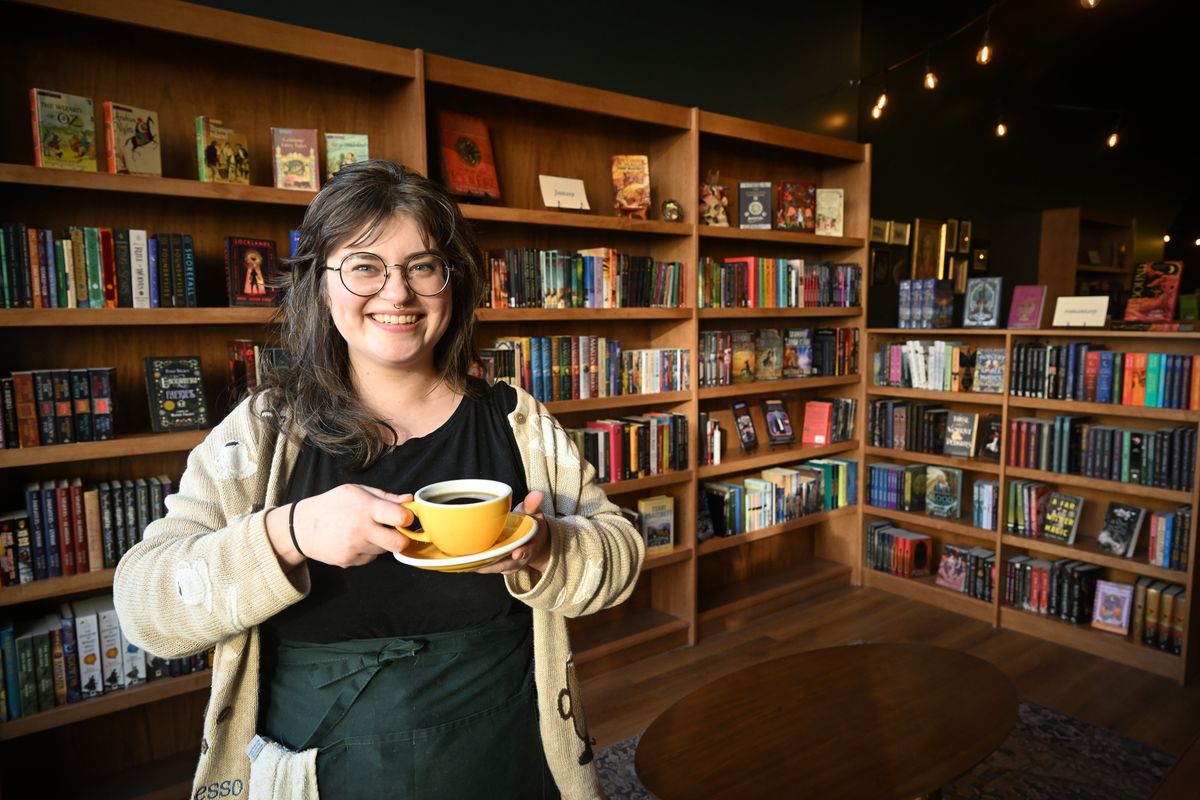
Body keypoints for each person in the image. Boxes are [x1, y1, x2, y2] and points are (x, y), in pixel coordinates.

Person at [113, 160, 644, 799]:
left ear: (453, 282)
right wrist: (289, 534)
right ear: (320, 285)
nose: (397, 294)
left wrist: (546, 547)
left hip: (509, 758)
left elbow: (621, 559)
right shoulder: (261, 432)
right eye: (364, 266)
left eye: (422, 266)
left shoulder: (519, 422)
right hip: (319, 774)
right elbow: (144, 609)